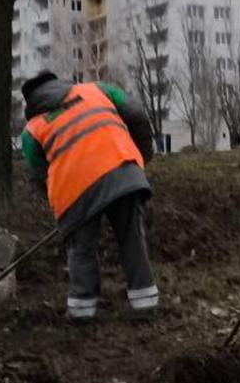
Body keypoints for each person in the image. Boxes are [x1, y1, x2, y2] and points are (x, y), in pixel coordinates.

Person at [21, 72, 158, 321]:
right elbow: (136, 113)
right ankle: (145, 303)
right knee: (132, 238)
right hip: (122, 169)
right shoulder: (97, 89)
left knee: (81, 248)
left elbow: (40, 175)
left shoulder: (31, 130)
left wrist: (62, 208)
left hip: (75, 190)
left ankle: (82, 310)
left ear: (31, 102)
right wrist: (142, 156)